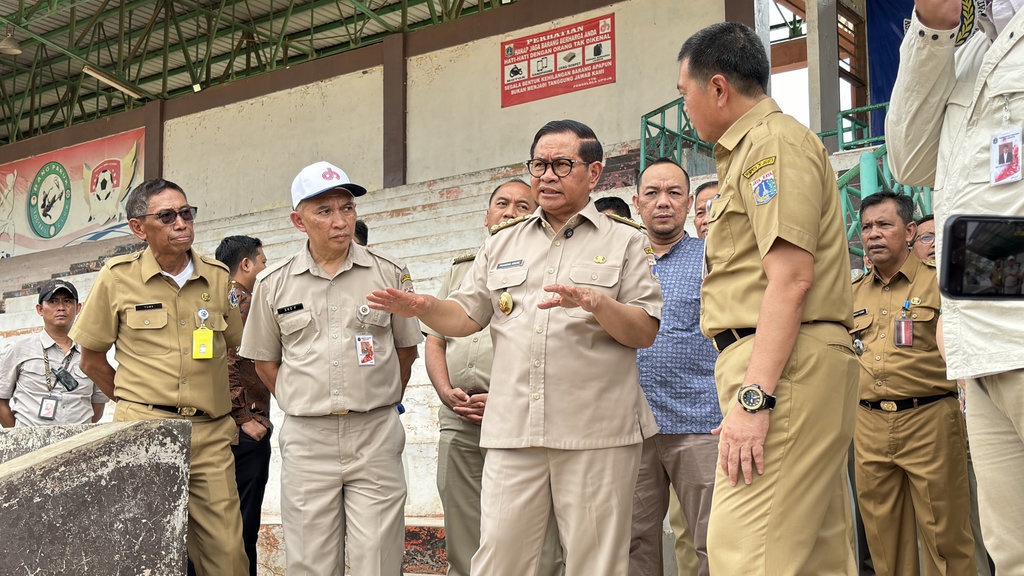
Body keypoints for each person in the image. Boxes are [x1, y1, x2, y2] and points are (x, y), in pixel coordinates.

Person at [368, 119, 662, 576]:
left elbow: (644, 330)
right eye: (539, 164)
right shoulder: (503, 241)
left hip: (595, 432)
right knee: (500, 559)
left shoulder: (625, 240)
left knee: (595, 562)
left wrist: (597, 302)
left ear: (595, 171)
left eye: (562, 164)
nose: (547, 175)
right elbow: (465, 317)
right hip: (515, 430)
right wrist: (423, 305)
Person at [677, 22, 859, 574]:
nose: (683, 108)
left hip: (784, 366)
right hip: (788, 362)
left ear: (716, 88)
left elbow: (791, 279)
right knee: (815, 555)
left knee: (744, 554)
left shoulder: (769, 144)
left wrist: (754, 400)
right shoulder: (756, 149)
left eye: (683, 93)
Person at [886, 2, 1024, 568]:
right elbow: (910, 160)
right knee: (1009, 549)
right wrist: (934, 30)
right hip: (979, 342)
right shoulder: (963, 48)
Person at [239, 161, 421, 576]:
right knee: (311, 562)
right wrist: (302, 400)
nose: (340, 221)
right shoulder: (274, 284)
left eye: (347, 208)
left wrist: (379, 397)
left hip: (374, 433)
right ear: (297, 220)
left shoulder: (389, 273)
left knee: (379, 559)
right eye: (324, 211)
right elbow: (266, 362)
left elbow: (406, 352)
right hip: (308, 439)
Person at [71, 179, 248, 576]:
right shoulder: (117, 278)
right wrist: (136, 403)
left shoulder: (218, 278)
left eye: (186, 213)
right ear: (139, 228)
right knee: (143, 552)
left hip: (209, 436)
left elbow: (237, 347)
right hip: (144, 432)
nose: (181, 223)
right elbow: (91, 360)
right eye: (166, 216)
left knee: (228, 556)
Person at [426, 179, 564, 576]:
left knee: (536, 536)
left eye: (523, 205)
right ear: (487, 216)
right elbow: (435, 341)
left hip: (522, 416)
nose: (510, 212)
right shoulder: (460, 271)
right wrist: (445, 392)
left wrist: (502, 399)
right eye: (501, 204)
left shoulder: (549, 266)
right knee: (463, 527)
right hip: (459, 417)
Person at [852, 191, 976, 575]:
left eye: (884, 225)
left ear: (908, 231)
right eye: (868, 226)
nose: (873, 234)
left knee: (946, 539)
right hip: (868, 425)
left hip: (929, 420)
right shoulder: (851, 293)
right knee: (883, 540)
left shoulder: (941, 282)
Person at [628, 158, 719, 576]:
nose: (663, 203)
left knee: (712, 542)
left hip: (700, 422)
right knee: (633, 542)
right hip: (631, 426)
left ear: (688, 204)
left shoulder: (713, 259)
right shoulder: (619, 262)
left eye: (674, 193)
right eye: (652, 193)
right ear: (636, 202)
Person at [214, 235, 271, 576]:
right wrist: (244, 417)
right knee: (242, 526)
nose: (264, 267)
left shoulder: (218, 296)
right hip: (242, 433)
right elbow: (227, 360)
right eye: (262, 261)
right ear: (245, 265)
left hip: (228, 429)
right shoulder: (241, 300)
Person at [0, 279, 107, 427]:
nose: (61, 307)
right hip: (33, 445)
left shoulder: (92, 352)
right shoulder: (18, 350)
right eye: (53, 301)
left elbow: (98, 404)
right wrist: (22, 437)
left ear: (78, 308)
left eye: (68, 301)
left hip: (79, 443)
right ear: (40, 309)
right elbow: (1, 401)